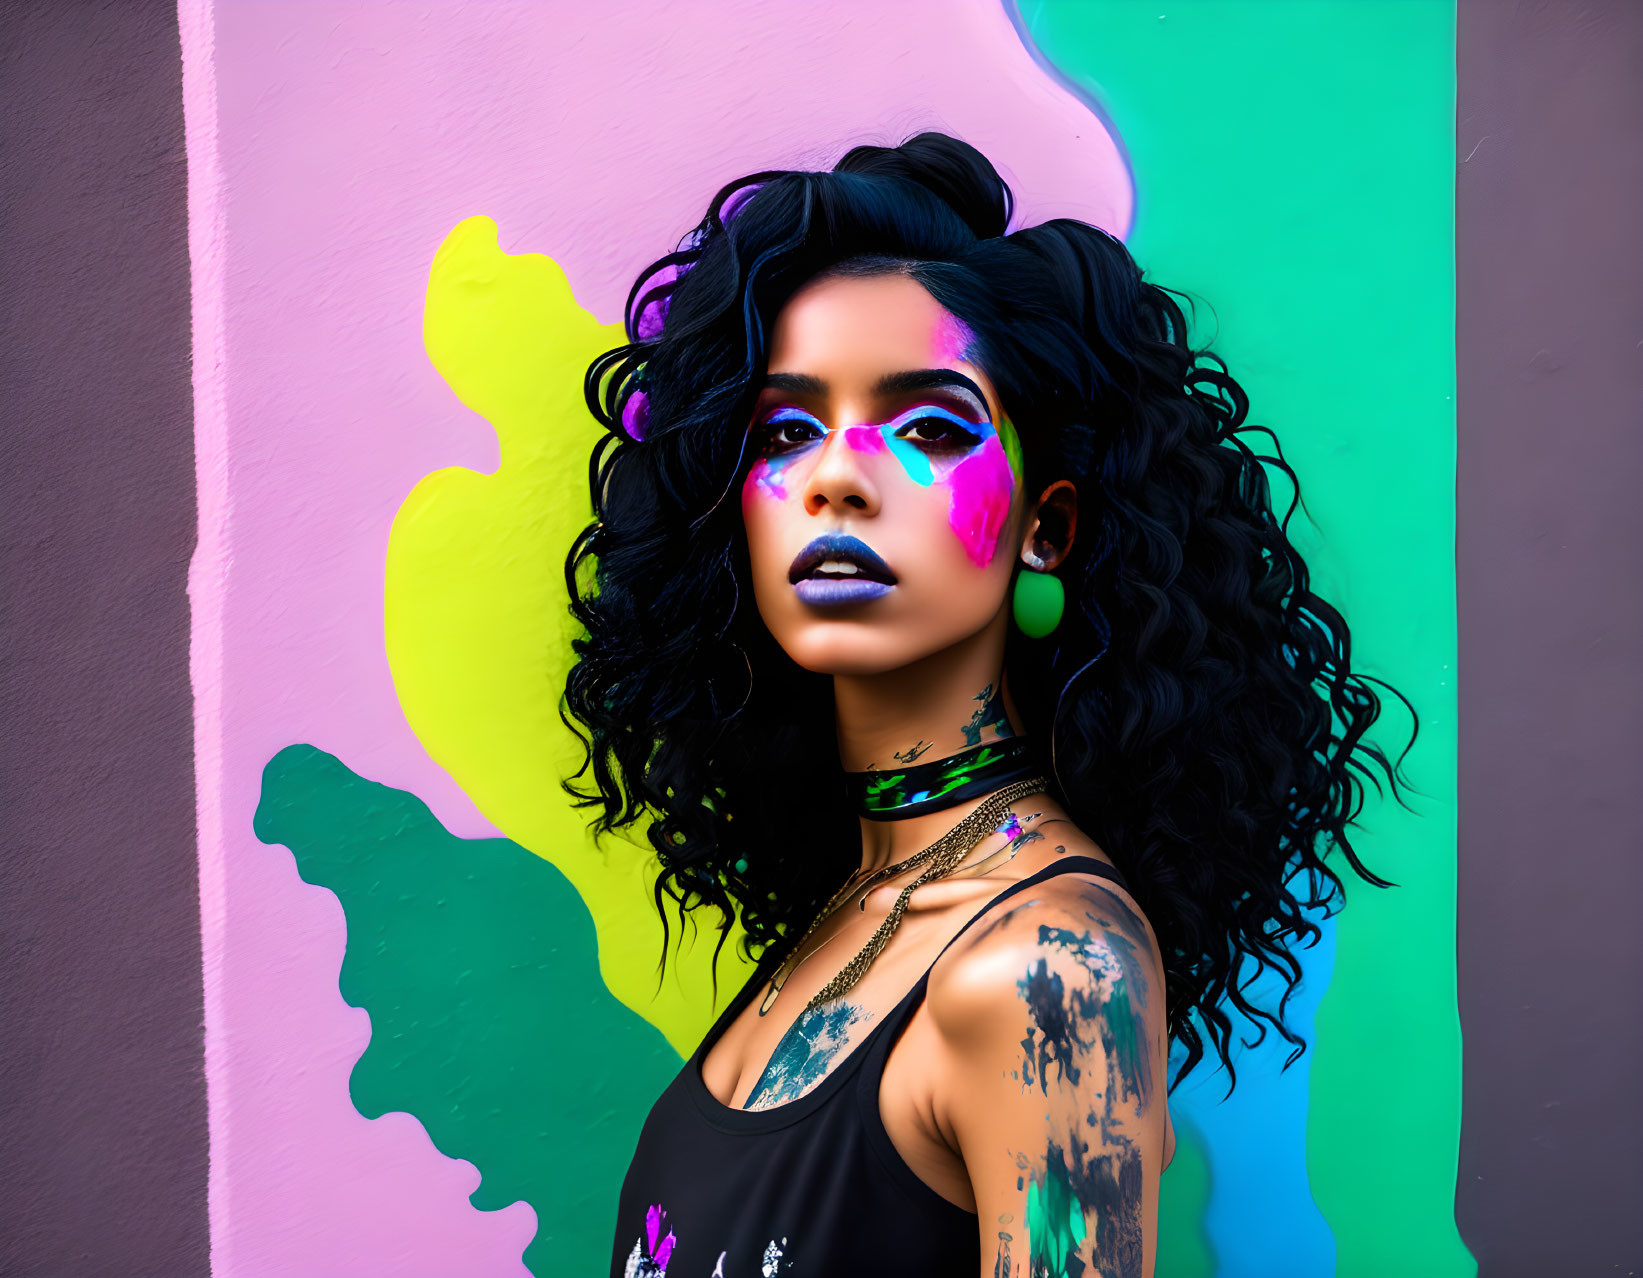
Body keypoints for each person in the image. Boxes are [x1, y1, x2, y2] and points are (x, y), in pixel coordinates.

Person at [563, 132, 1413, 1278]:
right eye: (784, 431)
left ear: (1043, 527)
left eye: (927, 428)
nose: (836, 476)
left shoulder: (1048, 968)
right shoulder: (860, 909)